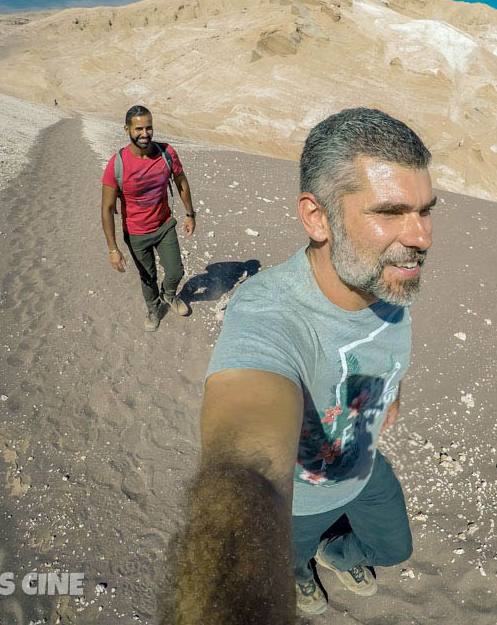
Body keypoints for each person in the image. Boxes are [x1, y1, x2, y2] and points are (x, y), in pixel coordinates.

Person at [168, 108, 435, 622]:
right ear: (317, 218)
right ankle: (296, 570)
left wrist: (389, 398)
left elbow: (383, 357)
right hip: (299, 503)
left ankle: (337, 553)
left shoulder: (386, 276)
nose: (421, 236)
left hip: (363, 468)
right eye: (391, 212)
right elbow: (246, 447)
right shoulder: (272, 313)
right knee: (280, 558)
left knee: (393, 549)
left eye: (426, 211)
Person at [101, 105, 196, 332]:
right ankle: (153, 308)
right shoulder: (117, 164)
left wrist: (190, 214)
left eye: (149, 128)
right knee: (148, 276)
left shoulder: (166, 153)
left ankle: (169, 295)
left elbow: (181, 182)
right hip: (136, 233)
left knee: (175, 271)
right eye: (139, 129)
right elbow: (106, 208)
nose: (145, 134)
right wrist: (113, 249)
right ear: (127, 129)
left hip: (164, 226)